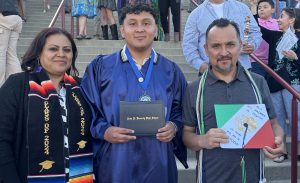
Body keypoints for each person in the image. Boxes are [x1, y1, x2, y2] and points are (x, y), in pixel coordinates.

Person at [80, 3, 188, 182]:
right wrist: (104, 131)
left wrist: (174, 127)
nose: (140, 29)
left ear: (155, 29)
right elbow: (86, 110)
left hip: (158, 161)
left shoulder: (171, 70)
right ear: (122, 30)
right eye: (132, 24)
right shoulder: (100, 67)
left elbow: (182, 110)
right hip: (115, 162)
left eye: (146, 23)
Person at [182, 18, 284, 183]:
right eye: (216, 46)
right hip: (210, 177)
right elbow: (186, 134)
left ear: (240, 45)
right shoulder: (195, 89)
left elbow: (273, 123)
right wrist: (202, 140)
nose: (223, 52)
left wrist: (278, 140)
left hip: (253, 177)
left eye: (230, 44)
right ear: (206, 49)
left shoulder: (258, 82)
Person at [0, 27, 93, 183]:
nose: (61, 54)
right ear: (38, 53)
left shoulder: (83, 88)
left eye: (67, 50)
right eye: (53, 49)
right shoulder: (17, 85)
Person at [251, 7, 300, 162]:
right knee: (277, 118)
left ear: (292, 20)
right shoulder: (274, 36)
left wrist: (295, 58)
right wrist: (253, 9)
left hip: (293, 83)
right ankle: (281, 150)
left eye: (282, 16)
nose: (278, 19)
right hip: (274, 81)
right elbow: (257, 26)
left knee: (296, 118)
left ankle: (298, 151)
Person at [182, 0, 262, 75]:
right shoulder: (196, 14)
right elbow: (188, 45)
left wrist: (252, 44)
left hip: (242, 69)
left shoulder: (242, 8)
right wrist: (201, 66)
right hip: (210, 73)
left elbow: (255, 32)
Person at [250, 0, 279, 77]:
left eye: (265, 7)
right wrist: (253, 6)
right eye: (259, 8)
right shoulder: (254, 22)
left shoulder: (278, 23)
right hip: (256, 61)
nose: (261, 9)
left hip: (273, 62)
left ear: (273, 9)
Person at [0, 0, 24, 87]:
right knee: (12, 55)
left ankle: (1, 86)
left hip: (4, 16)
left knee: (1, 54)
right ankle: (18, 85)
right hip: (16, 17)